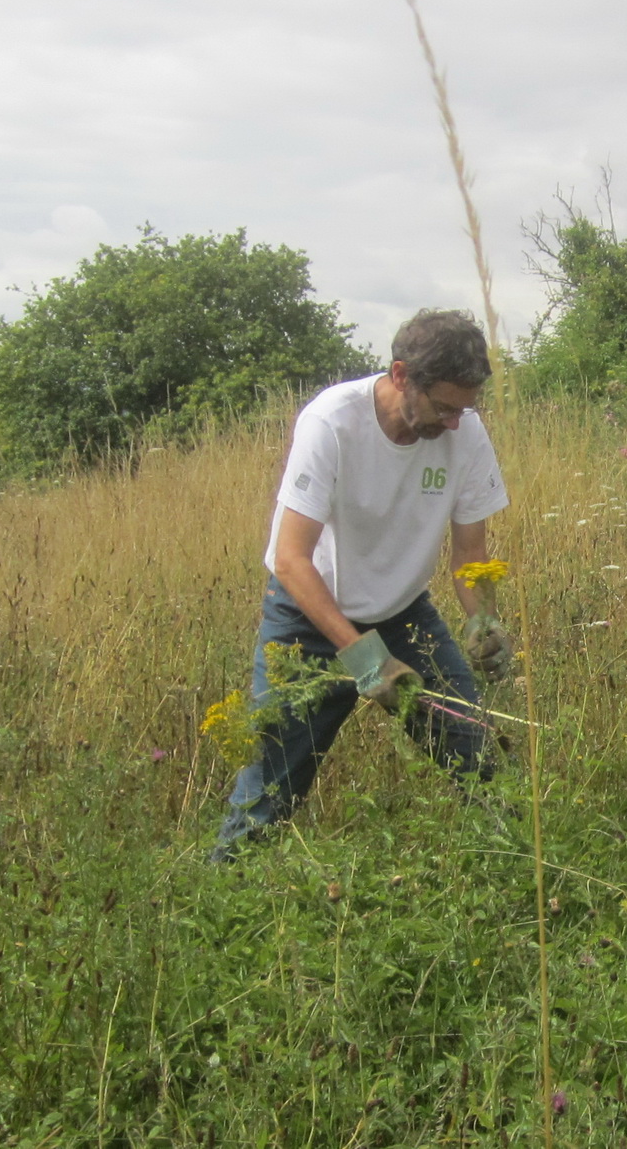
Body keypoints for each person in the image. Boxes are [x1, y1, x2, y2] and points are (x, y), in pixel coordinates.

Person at [210, 309, 514, 862]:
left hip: (404, 616)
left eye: (464, 409)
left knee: (478, 758)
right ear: (401, 375)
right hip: (307, 620)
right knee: (270, 789)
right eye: (444, 407)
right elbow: (291, 559)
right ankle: (224, 884)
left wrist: (481, 618)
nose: (454, 424)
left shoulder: (465, 431)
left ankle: (515, 872)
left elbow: (470, 554)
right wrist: (363, 658)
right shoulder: (332, 422)